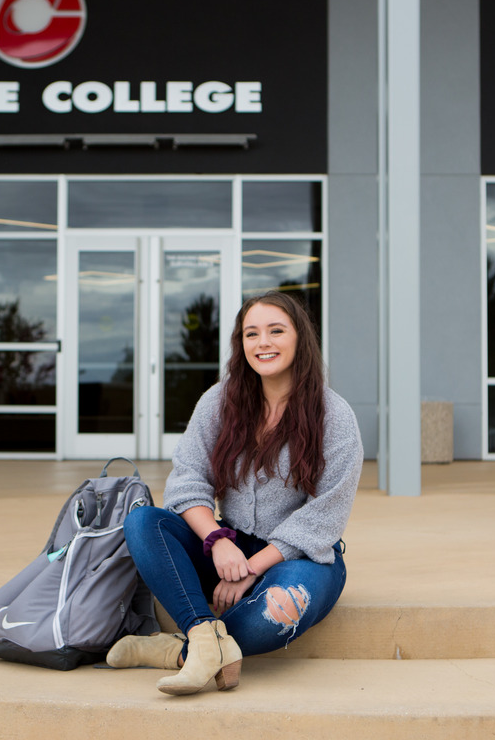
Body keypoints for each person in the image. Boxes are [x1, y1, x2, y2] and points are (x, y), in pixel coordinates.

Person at [107, 291, 363, 696]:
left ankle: (178, 651)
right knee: (143, 521)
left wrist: (252, 569)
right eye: (251, 334)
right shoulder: (219, 402)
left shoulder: (334, 415)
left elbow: (324, 516)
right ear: (240, 344)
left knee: (277, 612)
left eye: (276, 331)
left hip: (301, 556)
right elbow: (187, 479)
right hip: (229, 543)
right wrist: (217, 540)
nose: (263, 343)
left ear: (301, 339)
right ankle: (203, 636)